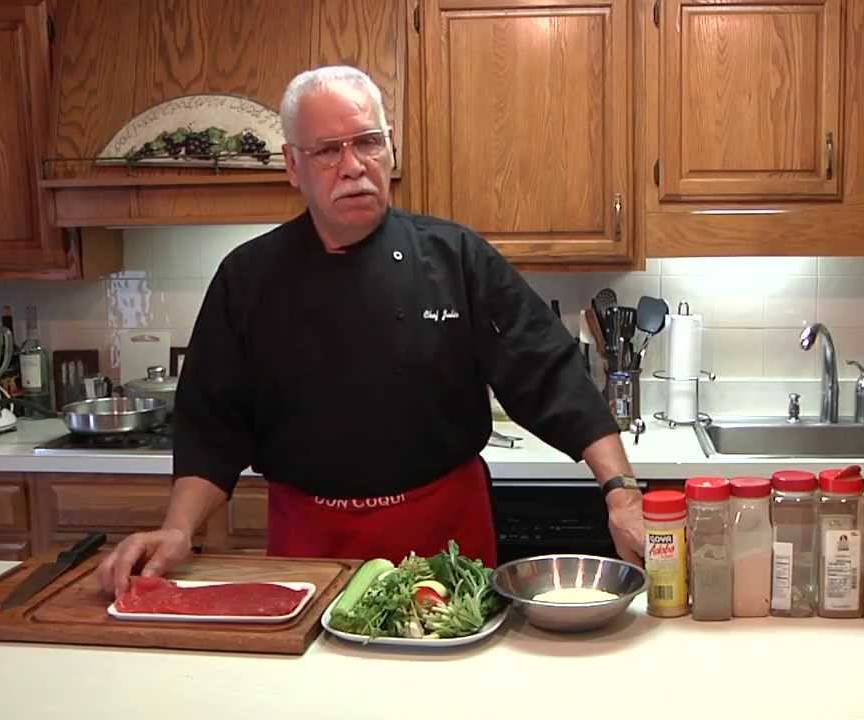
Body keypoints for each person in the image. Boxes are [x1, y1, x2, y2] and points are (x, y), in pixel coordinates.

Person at [96, 66, 645, 596]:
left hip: (446, 538)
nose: (354, 165)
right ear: (292, 165)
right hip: (309, 546)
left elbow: (547, 371)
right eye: (328, 150)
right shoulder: (248, 278)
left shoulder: (455, 258)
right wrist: (178, 529)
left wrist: (620, 492)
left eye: (368, 142)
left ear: (391, 147)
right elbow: (211, 427)